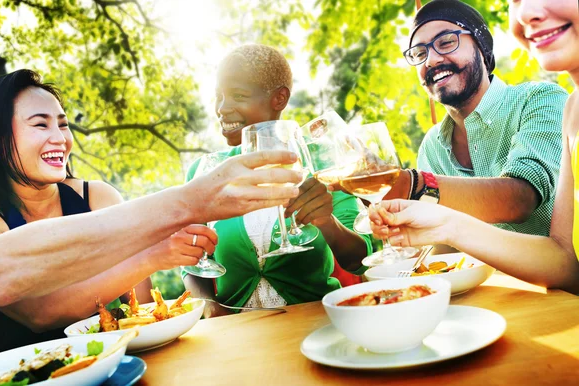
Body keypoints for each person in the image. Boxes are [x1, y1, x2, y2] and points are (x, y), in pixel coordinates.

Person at [0, 69, 303, 356]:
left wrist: (164, 253)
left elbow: (144, 312)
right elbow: (41, 313)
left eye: (63, 124)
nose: (59, 138)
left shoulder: (98, 197)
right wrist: (160, 248)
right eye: (40, 124)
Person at [369, 0, 579, 294]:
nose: (431, 60)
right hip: (493, 302)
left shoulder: (541, 100)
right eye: (419, 54)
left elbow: (520, 198)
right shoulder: (432, 145)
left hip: (554, 300)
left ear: (481, 47)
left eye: (446, 42)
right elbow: (442, 250)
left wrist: (413, 185)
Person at [183, 44, 373, 317]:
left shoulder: (319, 161)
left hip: (314, 326)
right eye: (219, 96)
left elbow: (360, 259)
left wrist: (326, 222)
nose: (222, 108)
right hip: (236, 338)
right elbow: (192, 263)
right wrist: (208, 307)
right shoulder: (205, 171)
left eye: (238, 95)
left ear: (279, 99)